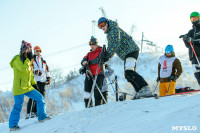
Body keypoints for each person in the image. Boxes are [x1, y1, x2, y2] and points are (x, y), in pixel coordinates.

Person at [97, 17, 152, 98]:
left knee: (129, 71)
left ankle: (145, 88)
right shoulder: (110, 33)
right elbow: (111, 46)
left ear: (107, 22)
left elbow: (114, 45)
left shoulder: (114, 30)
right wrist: (105, 55)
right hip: (128, 54)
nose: (102, 27)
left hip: (131, 51)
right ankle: (140, 92)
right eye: (100, 26)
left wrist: (106, 57)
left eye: (103, 24)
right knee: (127, 75)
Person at [9, 40, 50, 131]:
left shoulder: (29, 61)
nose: (28, 51)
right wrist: (28, 60)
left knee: (39, 97)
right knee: (18, 105)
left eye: (29, 49)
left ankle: (42, 117)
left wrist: (34, 85)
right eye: (27, 49)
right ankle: (13, 125)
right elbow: (23, 69)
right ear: (22, 50)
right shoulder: (16, 59)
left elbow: (30, 74)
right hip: (19, 87)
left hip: (27, 87)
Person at [26, 46, 51, 119]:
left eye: (39, 51)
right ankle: (28, 113)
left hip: (43, 81)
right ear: (34, 52)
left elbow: (47, 70)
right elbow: (28, 69)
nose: (38, 52)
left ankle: (36, 112)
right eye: (36, 51)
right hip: (35, 81)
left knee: (41, 97)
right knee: (33, 97)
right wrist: (35, 72)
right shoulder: (31, 60)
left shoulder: (43, 61)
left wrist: (48, 78)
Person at [81, 36, 105, 108]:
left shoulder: (101, 50)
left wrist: (88, 62)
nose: (91, 46)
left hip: (98, 73)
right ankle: (88, 107)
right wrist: (84, 63)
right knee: (86, 92)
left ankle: (98, 107)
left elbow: (100, 59)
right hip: (89, 74)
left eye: (93, 45)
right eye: (90, 45)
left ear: (96, 44)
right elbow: (83, 60)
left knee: (97, 91)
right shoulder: (89, 54)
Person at [180, 11, 200, 85]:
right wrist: (185, 39)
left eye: (195, 18)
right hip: (193, 56)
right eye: (192, 19)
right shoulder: (190, 32)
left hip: (199, 54)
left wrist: (193, 40)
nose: (194, 20)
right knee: (197, 73)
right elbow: (188, 45)